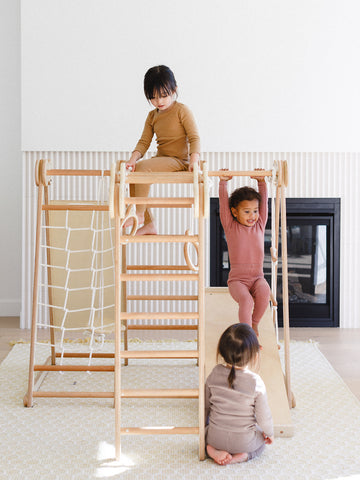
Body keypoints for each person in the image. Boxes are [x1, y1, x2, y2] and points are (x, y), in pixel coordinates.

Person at [125, 65, 201, 235]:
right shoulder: (152, 116)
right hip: (163, 158)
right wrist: (132, 159)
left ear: (174, 90)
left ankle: (139, 214)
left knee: (143, 168)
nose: (159, 101)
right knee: (134, 171)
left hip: (179, 161)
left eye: (164, 95)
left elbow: (194, 137)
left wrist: (194, 160)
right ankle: (149, 224)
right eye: (153, 97)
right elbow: (144, 142)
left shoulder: (182, 110)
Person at [205, 323, 274, 466]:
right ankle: (242, 456)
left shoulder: (214, 373)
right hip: (244, 442)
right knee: (262, 441)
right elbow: (263, 417)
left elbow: (205, 407)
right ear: (255, 356)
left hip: (215, 438)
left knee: (206, 431)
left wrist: (207, 428)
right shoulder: (256, 382)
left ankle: (211, 450)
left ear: (222, 351)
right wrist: (269, 433)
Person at [218, 168, 270, 338]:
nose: (252, 215)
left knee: (265, 293)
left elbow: (264, 205)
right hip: (237, 281)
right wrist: (223, 182)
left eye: (254, 211)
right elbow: (223, 205)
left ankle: (254, 324)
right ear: (235, 212)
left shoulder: (260, 224)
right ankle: (247, 337)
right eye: (246, 211)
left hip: (257, 278)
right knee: (246, 301)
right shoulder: (231, 226)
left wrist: (261, 182)